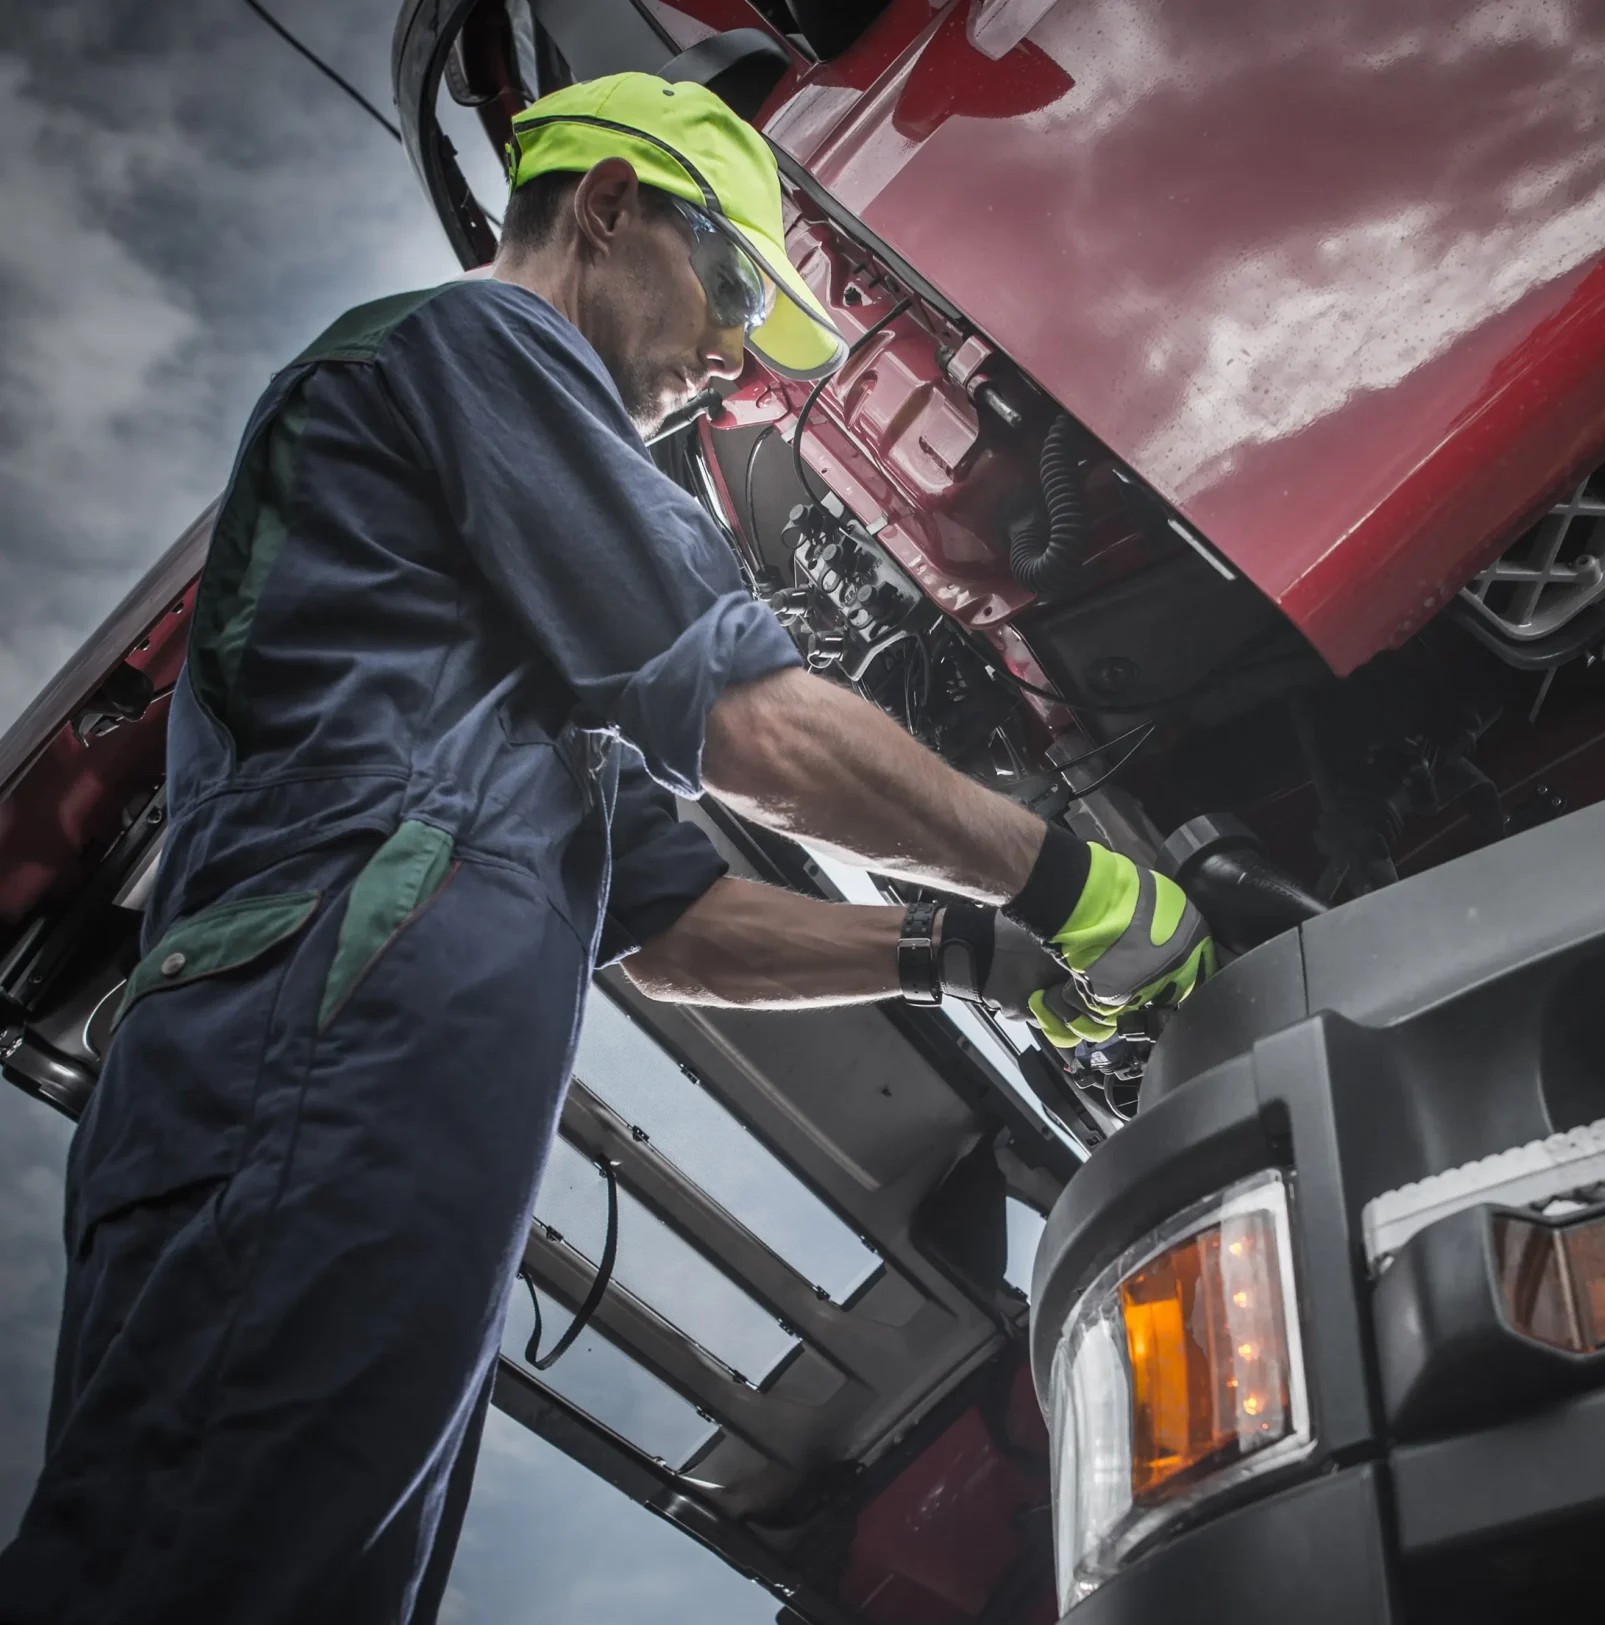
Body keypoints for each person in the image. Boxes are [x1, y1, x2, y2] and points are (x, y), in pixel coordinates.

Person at [0, 73, 1209, 1625]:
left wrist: (971, 954)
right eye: (730, 292)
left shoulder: (504, 654)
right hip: (314, 1046)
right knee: (189, 1570)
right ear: (611, 206)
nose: (731, 358)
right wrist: (1085, 888)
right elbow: (761, 736)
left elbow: (685, 928)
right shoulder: (477, 347)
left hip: (375, 1089)